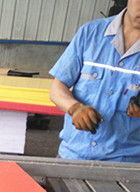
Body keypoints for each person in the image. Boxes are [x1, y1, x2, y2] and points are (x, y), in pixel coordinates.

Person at [49, 0, 140, 162]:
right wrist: (75, 108)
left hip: (126, 164)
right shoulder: (90, 33)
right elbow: (57, 87)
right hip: (72, 156)